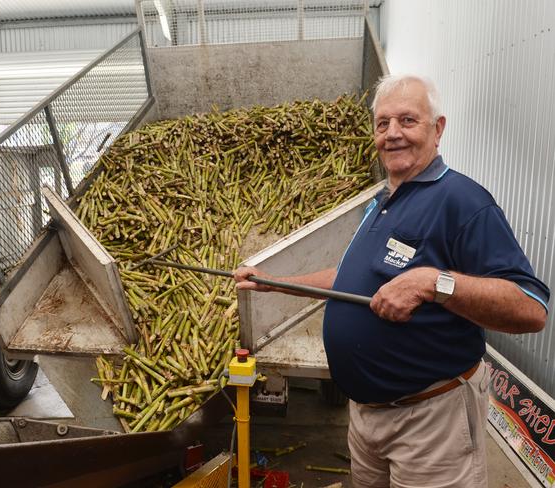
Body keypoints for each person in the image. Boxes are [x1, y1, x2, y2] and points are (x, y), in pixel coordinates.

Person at [233, 74, 550, 488]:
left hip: (430, 423)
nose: (393, 134)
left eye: (407, 121)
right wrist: (277, 283)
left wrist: (434, 282)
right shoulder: (381, 202)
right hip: (367, 418)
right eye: (383, 124)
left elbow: (531, 307)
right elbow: (351, 279)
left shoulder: (463, 201)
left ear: (437, 129)